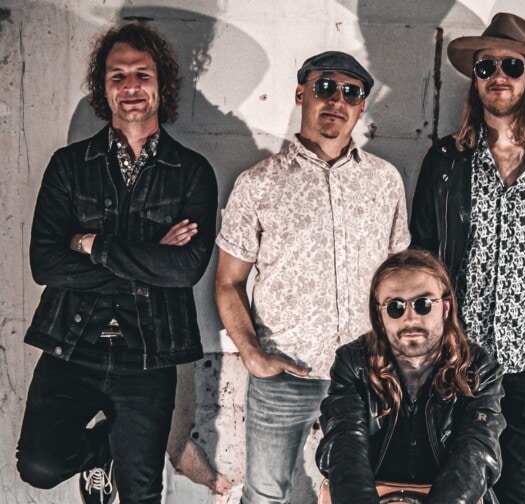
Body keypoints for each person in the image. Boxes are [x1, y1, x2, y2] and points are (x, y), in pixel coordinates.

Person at [16, 23, 218, 504]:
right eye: (117, 75)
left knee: (140, 492)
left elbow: (185, 269)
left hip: (149, 353)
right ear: (102, 86)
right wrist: (150, 255)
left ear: (161, 83)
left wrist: (89, 243)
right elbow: (46, 264)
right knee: (39, 464)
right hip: (72, 345)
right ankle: (105, 451)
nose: (130, 86)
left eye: (142, 74)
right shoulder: (69, 165)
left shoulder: (192, 172)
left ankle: (124, 457)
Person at [410, 12, 525, 504]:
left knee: (519, 496)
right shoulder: (445, 161)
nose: (498, 76)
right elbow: (421, 262)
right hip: (458, 363)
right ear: (475, 80)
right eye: (486, 66)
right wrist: (431, 348)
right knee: (451, 493)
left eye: (511, 65)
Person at [214, 51, 410, 503]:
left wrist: (397, 359)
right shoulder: (258, 183)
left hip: (367, 375)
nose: (336, 100)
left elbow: (400, 281)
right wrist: (253, 355)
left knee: (367, 493)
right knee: (265, 495)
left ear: (361, 106)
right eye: (325, 87)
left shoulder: (385, 181)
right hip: (284, 375)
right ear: (301, 93)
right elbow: (227, 282)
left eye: (350, 92)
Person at [316, 249, 505, 504]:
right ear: (380, 315)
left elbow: (476, 452)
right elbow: (344, 444)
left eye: (423, 304)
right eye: (395, 307)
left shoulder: (478, 367)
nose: (410, 318)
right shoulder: (353, 363)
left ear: (446, 307)